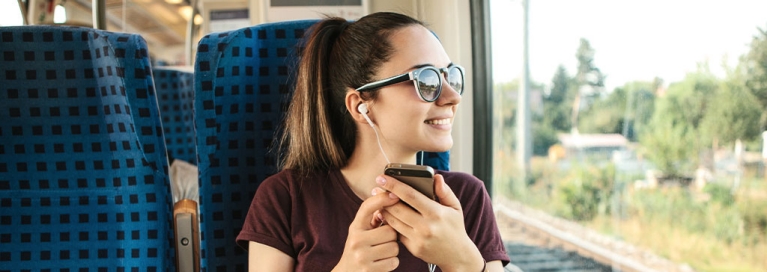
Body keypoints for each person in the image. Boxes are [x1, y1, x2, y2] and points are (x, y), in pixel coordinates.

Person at [236, 12, 510, 272]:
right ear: (360, 106)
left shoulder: (467, 197)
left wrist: (464, 262)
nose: (452, 97)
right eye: (426, 80)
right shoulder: (285, 199)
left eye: (450, 76)